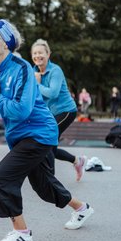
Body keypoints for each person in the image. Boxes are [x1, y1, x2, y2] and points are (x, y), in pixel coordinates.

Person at [0, 19, 93, 241]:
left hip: (39, 133)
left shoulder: (22, 67)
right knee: (44, 187)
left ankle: (22, 232)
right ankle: (82, 208)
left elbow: (21, 111)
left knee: (1, 178)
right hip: (20, 137)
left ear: (5, 42)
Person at [31, 39, 87, 182]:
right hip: (50, 114)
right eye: (35, 53)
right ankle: (77, 161)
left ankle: (50, 179)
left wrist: (37, 84)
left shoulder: (55, 70)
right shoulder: (33, 71)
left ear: (48, 54)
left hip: (66, 110)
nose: (38, 56)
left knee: (47, 141)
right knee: (50, 147)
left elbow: (53, 93)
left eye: (41, 53)